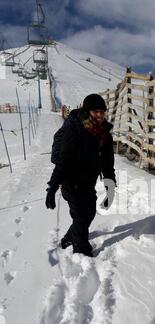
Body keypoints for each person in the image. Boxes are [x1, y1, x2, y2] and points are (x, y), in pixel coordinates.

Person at [46, 94, 116, 257]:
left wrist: (110, 187)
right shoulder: (75, 128)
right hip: (70, 181)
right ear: (87, 111)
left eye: (102, 112)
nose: (99, 115)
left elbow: (107, 164)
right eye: (95, 111)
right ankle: (82, 252)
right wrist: (52, 187)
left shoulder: (104, 134)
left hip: (88, 182)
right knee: (80, 218)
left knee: (89, 213)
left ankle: (69, 238)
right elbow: (64, 159)